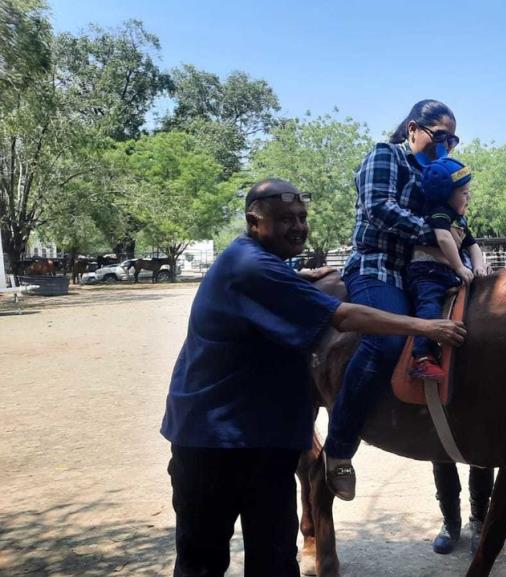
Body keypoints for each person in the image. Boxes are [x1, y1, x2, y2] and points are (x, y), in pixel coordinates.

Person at [160, 179, 466, 577]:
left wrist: (300, 280)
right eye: (285, 219)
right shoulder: (252, 267)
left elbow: (277, 291)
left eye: (302, 218)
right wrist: (426, 328)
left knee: (275, 561)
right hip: (216, 443)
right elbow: (345, 316)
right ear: (255, 222)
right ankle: (340, 448)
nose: (299, 227)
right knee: (202, 563)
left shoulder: (261, 265)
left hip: (264, 443)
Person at [323, 99, 461, 500]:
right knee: (385, 339)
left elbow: (450, 217)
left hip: (419, 271)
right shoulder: (385, 155)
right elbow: (379, 207)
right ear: (414, 128)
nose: (447, 146)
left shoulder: (436, 172)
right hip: (377, 265)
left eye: (453, 140)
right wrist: (432, 234)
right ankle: (340, 448)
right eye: (441, 136)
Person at [407, 155, 486, 380]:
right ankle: (421, 357)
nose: (468, 197)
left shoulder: (459, 220)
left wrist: (478, 266)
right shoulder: (439, 213)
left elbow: (473, 246)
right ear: (445, 195)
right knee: (429, 307)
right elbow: (443, 239)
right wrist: (460, 267)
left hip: (447, 274)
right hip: (427, 274)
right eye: (463, 193)